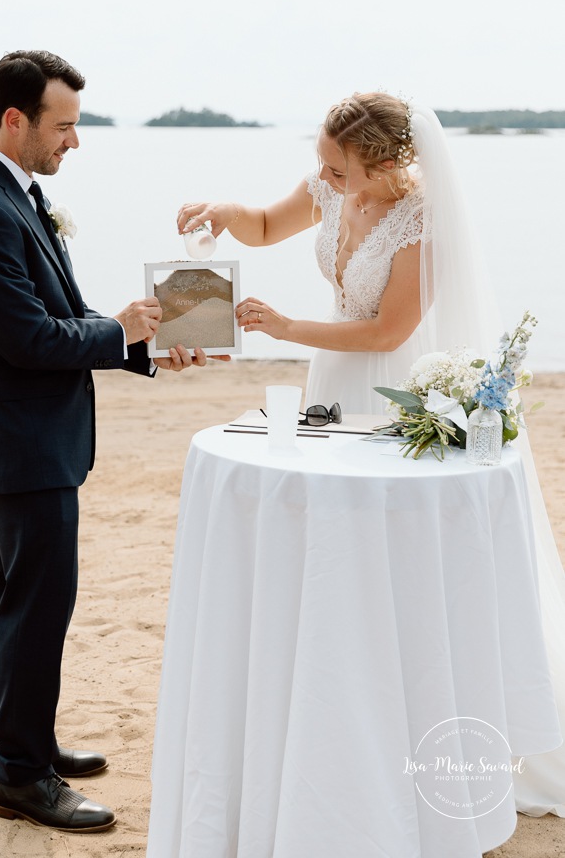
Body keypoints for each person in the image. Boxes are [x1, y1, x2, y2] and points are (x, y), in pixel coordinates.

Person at [177, 91, 565, 817]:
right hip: (331, 378)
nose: (322, 179)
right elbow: (263, 226)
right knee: (336, 541)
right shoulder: (328, 182)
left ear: (382, 164)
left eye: (337, 168)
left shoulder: (421, 220)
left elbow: (388, 332)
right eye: (318, 163)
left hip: (390, 383)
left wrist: (287, 326)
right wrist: (223, 213)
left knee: (396, 548)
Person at [0, 50, 221, 834]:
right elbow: (28, 339)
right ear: (14, 119)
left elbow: (57, 313)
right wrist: (115, 330)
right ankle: (22, 778)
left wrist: (142, 342)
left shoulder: (10, 195)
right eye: (63, 127)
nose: (74, 142)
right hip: (21, 445)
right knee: (38, 604)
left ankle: (6, 741)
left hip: (26, 440)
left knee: (12, 598)